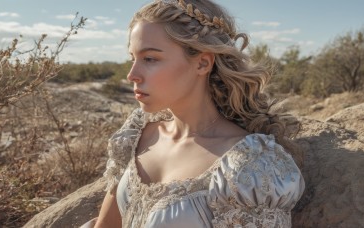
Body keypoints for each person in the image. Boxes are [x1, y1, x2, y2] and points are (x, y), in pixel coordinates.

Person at [87, 0, 305, 227]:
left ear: (202, 63)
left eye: (150, 59)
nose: (132, 75)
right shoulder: (136, 135)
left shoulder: (249, 167)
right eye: (133, 59)